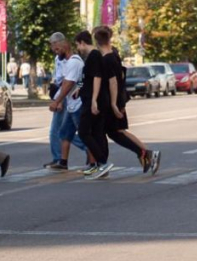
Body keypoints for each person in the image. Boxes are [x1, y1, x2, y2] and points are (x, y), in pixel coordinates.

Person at [96, 26, 161, 175]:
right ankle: (146, 154)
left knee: (115, 132)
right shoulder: (114, 55)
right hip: (118, 99)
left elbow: (114, 82)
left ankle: (145, 154)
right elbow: (121, 78)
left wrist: (114, 104)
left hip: (114, 101)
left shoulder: (107, 58)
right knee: (117, 132)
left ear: (98, 41)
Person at [48, 35, 97, 172]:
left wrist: (57, 101)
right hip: (72, 104)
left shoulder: (74, 62)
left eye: (56, 48)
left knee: (84, 134)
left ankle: (94, 164)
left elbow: (68, 84)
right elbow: (69, 82)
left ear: (64, 45)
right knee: (64, 133)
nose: (55, 51)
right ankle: (63, 162)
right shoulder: (69, 62)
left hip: (78, 105)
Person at [73, 30, 113, 180]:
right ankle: (102, 165)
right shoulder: (90, 57)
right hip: (89, 98)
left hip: (92, 101)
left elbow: (97, 78)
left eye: (78, 45)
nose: (78, 49)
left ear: (83, 42)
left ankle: (102, 162)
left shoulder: (94, 56)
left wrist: (94, 100)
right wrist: (79, 88)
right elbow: (86, 77)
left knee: (83, 132)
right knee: (97, 133)